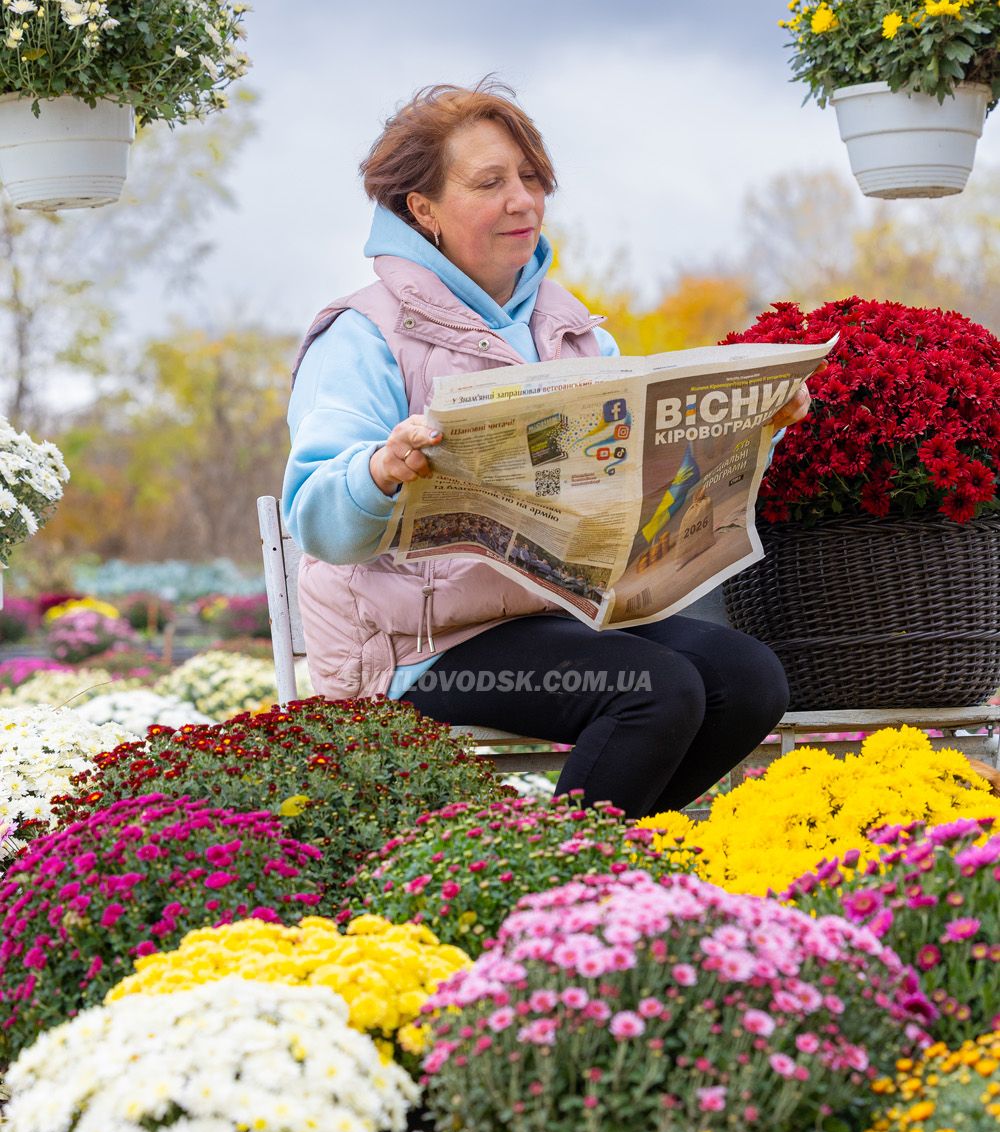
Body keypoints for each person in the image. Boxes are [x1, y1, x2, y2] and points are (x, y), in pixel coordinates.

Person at [283, 80, 808, 817]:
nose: (522, 200)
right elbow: (315, 516)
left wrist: (754, 430)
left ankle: (611, 865)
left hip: (555, 618)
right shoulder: (362, 335)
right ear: (421, 209)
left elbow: (651, 496)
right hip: (417, 653)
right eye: (490, 182)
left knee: (750, 679)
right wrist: (381, 470)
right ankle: (555, 890)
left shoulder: (577, 336)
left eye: (531, 179)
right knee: (653, 691)